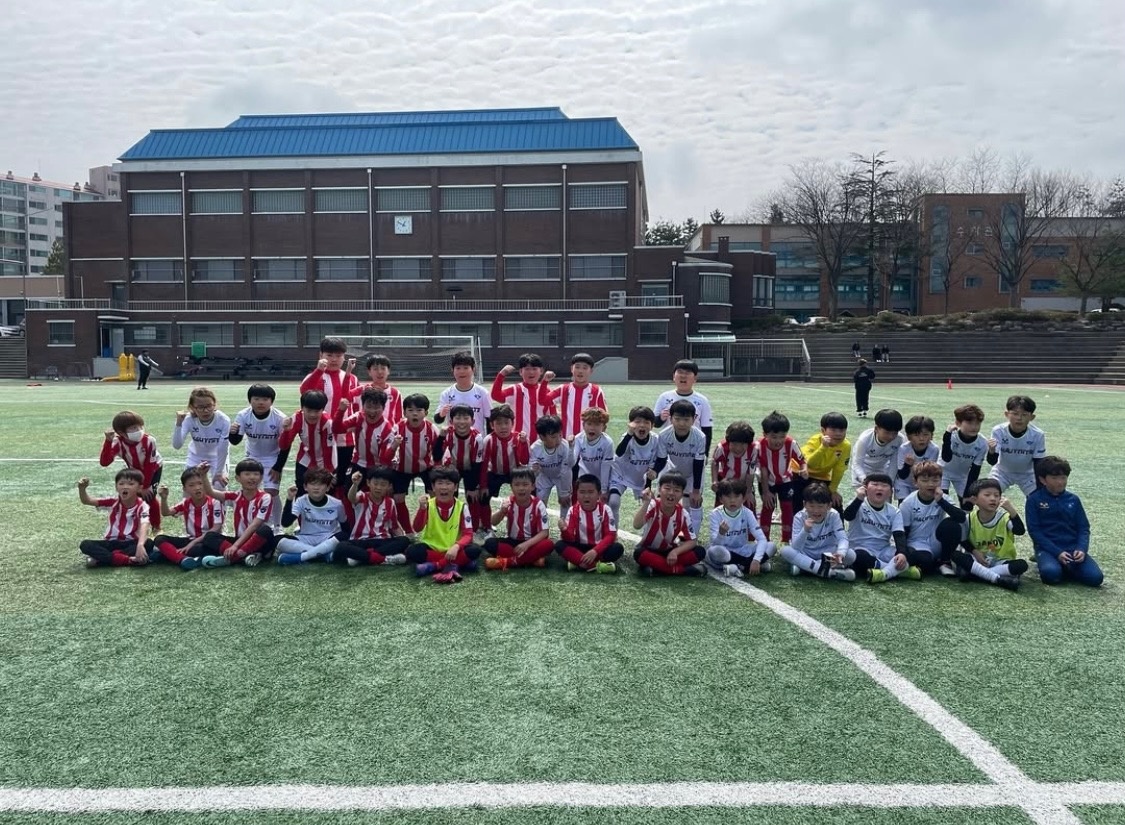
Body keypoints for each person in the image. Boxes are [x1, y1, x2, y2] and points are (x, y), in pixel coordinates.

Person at [1025, 456, 1103, 587]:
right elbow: (1035, 532)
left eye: (1063, 478)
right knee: (1051, 575)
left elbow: (1083, 528)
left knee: (1096, 579)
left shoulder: (1073, 499)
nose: (1060, 482)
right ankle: (1051, 562)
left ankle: (1067, 567)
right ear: (1043, 480)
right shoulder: (1034, 500)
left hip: (1072, 548)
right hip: (1048, 549)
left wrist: (1081, 549)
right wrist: (1057, 552)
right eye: (1054, 478)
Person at [300, 337, 360, 489]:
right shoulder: (315, 376)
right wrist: (319, 370)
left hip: (346, 439)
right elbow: (304, 392)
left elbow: (357, 405)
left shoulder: (352, 378)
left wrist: (356, 425)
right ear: (321, 355)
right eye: (330, 355)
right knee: (320, 483)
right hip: (320, 440)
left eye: (338, 356)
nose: (334, 359)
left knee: (342, 482)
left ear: (344, 357)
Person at [406, 466, 483, 583]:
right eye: (440, 483)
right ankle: (458, 564)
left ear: (456, 487)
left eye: (448, 483)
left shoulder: (462, 507)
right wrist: (422, 509)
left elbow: (468, 535)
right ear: (433, 486)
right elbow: (417, 528)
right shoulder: (428, 505)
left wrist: (456, 547)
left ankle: (435, 566)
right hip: (433, 548)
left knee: (475, 550)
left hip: (455, 549)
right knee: (412, 552)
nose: (444, 487)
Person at [950, 478, 1028, 590]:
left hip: (1000, 561)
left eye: (997, 495)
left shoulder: (1004, 518)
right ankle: (999, 579)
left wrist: (1011, 510)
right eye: (987, 495)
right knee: (955, 555)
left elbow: (1020, 531)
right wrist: (975, 552)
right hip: (978, 560)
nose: (993, 499)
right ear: (974, 499)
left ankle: (978, 575)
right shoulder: (969, 519)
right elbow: (963, 540)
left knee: (1021, 565)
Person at [197, 459, 277, 568]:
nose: (252, 477)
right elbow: (211, 492)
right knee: (209, 536)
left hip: (261, 542)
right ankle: (245, 556)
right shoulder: (235, 496)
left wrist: (234, 546)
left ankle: (234, 557)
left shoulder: (265, 497)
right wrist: (203, 475)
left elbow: (254, 526)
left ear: (261, 478)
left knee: (265, 530)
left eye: (256, 474)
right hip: (240, 541)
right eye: (247, 474)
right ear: (237, 478)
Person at [840, 473, 918, 584]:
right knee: (859, 558)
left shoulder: (894, 511)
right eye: (875, 484)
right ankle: (897, 571)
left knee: (911, 552)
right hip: (860, 548)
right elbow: (847, 516)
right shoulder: (858, 503)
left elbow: (899, 535)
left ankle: (883, 573)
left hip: (883, 550)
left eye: (884, 485)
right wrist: (858, 499)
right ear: (866, 488)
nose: (879, 488)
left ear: (891, 492)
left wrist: (901, 553)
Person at [229, 384, 286, 530]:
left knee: (272, 492)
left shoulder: (280, 418)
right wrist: (232, 432)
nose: (261, 402)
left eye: (265, 399)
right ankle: (256, 524)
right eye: (256, 398)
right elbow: (235, 441)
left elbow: (286, 446)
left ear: (271, 401)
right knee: (251, 492)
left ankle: (277, 526)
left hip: (272, 457)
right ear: (250, 400)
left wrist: (278, 467)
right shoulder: (243, 415)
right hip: (252, 458)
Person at [898, 460, 967, 578]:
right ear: (915, 482)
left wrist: (940, 501)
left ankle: (945, 562)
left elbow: (961, 517)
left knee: (952, 525)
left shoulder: (943, 498)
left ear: (941, 481)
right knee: (925, 561)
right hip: (917, 543)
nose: (930, 484)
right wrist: (903, 552)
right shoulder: (907, 503)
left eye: (935, 480)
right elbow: (904, 532)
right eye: (925, 480)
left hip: (937, 541)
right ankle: (930, 562)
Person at [384, 393, 442, 531]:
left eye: (419, 410)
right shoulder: (397, 429)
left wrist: (438, 474)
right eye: (410, 410)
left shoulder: (432, 429)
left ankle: (432, 526)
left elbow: (438, 455)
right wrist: (394, 446)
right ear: (404, 412)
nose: (414, 414)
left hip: (426, 467)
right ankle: (408, 531)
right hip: (401, 469)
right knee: (398, 498)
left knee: (436, 495)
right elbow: (386, 456)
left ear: (426, 412)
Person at [100, 409, 164, 531]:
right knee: (131, 497)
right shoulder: (117, 443)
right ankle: (132, 526)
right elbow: (105, 462)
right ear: (121, 432)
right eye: (134, 428)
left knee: (149, 496)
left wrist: (145, 487)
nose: (139, 430)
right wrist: (108, 442)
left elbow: (149, 465)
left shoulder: (149, 441)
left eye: (140, 426)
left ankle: (157, 527)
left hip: (154, 469)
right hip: (134, 470)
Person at [334, 467, 410, 567]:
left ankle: (361, 558)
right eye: (375, 483)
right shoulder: (363, 496)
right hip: (360, 540)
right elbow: (351, 498)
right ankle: (384, 559)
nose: (378, 487)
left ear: (389, 486)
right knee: (341, 547)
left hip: (381, 540)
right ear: (368, 483)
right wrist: (355, 484)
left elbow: (394, 527)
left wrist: (403, 540)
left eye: (383, 484)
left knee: (404, 541)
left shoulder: (390, 502)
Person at [632, 472, 705, 576]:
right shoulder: (652, 505)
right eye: (667, 488)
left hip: (669, 552)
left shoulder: (683, 514)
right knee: (639, 553)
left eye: (676, 490)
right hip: (649, 550)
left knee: (700, 551)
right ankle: (684, 571)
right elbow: (636, 525)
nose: (671, 493)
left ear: (681, 494)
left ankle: (656, 570)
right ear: (659, 490)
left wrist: (676, 552)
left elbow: (692, 541)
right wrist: (646, 503)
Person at [153, 467, 226, 570]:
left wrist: (192, 544)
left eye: (200, 483)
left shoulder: (215, 502)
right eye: (191, 485)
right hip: (190, 539)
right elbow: (166, 513)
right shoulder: (186, 503)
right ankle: (183, 559)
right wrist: (164, 498)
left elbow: (216, 528)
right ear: (185, 489)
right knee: (159, 539)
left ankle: (170, 555)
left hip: (207, 541)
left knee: (197, 548)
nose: (197, 487)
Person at [652, 399, 707, 536]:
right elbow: (661, 459)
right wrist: (654, 473)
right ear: (670, 419)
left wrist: (695, 490)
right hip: (672, 471)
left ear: (694, 419)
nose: (682, 423)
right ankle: (663, 533)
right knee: (664, 502)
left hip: (692, 473)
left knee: (693, 502)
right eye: (677, 419)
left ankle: (691, 536)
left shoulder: (700, 437)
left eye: (686, 419)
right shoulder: (664, 435)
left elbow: (698, 463)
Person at [77, 469, 152, 568]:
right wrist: (82, 489)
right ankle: (127, 560)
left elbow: (144, 525)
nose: (125, 486)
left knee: (149, 543)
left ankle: (103, 559)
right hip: (111, 542)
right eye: (121, 483)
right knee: (85, 544)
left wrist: (140, 545)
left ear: (139, 488)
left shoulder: (143, 506)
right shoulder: (112, 502)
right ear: (116, 487)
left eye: (131, 484)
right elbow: (87, 501)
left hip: (130, 542)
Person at [484, 466, 554, 570]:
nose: (521, 488)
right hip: (513, 542)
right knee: (489, 543)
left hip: (531, 543)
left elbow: (544, 533)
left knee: (549, 544)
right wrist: (501, 512)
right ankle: (533, 559)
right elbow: (493, 522)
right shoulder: (508, 501)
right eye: (517, 485)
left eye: (525, 484)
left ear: (533, 486)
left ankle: (506, 561)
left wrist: (526, 545)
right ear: (511, 487)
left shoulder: (539, 504)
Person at [779, 481, 852, 580]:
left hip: (828, 554)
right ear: (804, 504)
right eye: (812, 506)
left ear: (829, 506)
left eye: (820, 506)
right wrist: (805, 530)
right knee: (785, 550)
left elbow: (842, 538)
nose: (816, 510)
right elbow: (796, 547)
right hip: (806, 553)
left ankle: (805, 568)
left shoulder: (834, 515)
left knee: (851, 555)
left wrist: (840, 553)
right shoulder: (799, 517)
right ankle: (829, 572)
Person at [275, 468, 348, 565]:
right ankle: (324, 556)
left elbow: (345, 527)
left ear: (327, 488)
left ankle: (302, 557)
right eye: (313, 484)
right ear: (305, 487)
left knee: (343, 536)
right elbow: (285, 523)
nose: (316, 488)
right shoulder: (301, 501)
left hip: (327, 538)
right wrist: (289, 499)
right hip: (306, 538)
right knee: (277, 540)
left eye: (320, 484)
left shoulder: (337, 504)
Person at [273, 390, 338, 498]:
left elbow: (328, 450)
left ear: (323, 409)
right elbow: (284, 445)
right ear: (302, 408)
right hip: (305, 459)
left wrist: (328, 473)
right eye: (309, 410)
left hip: (326, 462)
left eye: (317, 411)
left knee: (325, 494)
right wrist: (286, 431)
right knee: (302, 493)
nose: (312, 414)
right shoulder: (297, 418)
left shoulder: (327, 423)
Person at [555, 473, 624, 573]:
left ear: (599, 494)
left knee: (617, 548)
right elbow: (569, 538)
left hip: (599, 548)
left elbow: (610, 535)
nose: (586, 496)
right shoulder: (573, 510)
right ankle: (597, 565)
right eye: (582, 492)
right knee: (559, 545)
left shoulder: (605, 509)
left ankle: (578, 562)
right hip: (580, 547)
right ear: (577, 494)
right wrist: (564, 530)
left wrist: (595, 551)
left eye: (591, 492)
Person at [756, 411, 808, 544]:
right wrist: (766, 491)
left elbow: (802, 460)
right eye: (774, 437)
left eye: (782, 436)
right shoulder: (759, 446)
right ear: (765, 434)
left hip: (786, 481)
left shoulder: (791, 443)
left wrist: (804, 469)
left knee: (787, 507)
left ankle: (787, 539)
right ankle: (764, 539)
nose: (778, 440)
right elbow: (762, 470)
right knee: (768, 507)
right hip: (767, 482)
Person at [705, 479, 773, 578]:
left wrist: (757, 559)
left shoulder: (747, 513)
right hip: (726, 551)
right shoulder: (716, 514)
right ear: (720, 499)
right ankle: (747, 566)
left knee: (771, 546)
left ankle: (738, 567)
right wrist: (721, 534)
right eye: (728, 497)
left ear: (743, 498)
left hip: (743, 550)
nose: (732, 500)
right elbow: (716, 544)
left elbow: (761, 538)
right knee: (714, 551)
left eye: (736, 496)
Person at [437, 403, 488, 534]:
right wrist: (441, 437)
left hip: (471, 469)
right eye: (458, 418)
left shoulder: (477, 438)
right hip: (453, 469)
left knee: (473, 497)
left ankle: (474, 530)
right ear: (451, 421)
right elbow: (437, 455)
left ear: (473, 421)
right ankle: (449, 527)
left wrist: (473, 487)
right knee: (449, 496)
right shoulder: (448, 434)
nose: (461, 422)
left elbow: (477, 464)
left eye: (466, 418)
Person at [607, 406, 661, 525]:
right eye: (637, 422)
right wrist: (629, 434)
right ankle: (612, 534)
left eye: (646, 422)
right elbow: (619, 452)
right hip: (620, 475)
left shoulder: (655, 440)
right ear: (630, 424)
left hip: (640, 477)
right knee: (613, 502)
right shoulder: (627, 437)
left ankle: (648, 536)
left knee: (650, 506)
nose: (641, 425)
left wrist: (650, 480)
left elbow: (658, 461)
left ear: (652, 426)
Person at [480, 404, 531, 530]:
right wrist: (483, 486)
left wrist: (523, 444)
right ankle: (486, 525)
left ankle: (526, 522)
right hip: (495, 473)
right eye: (498, 423)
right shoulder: (488, 440)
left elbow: (524, 460)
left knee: (528, 494)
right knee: (483, 497)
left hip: (514, 473)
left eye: (506, 423)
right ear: (492, 425)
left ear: (512, 423)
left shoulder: (518, 438)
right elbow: (484, 464)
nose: (503, 427)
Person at [986, 395, 1047, 497]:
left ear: (1032, 417)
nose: (1019, 418)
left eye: (1024, 414)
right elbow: (992, 462)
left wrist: (1040, 490)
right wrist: (991, 451)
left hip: (1027, 474)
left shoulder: (1038, 434)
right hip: (1002, 472)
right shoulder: (998, 431)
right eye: (1015, 413)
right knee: (988, 494)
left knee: (1038, 498)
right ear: (1006, 414)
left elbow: (1039, 463)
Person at [172, 387, 231, 490]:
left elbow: (223, 448)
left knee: (219, 485)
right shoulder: (188, 419)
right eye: (200, 407)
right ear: (192, 407)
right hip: (196, 457)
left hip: (217, 457)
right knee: (190, 489)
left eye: (209, 406)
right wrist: (178, 424)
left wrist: (218, 473)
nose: (206, 411)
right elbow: (177, 445)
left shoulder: (223, 420)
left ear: (214, 404)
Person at [491, 353, 556, 442]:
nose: (531, 372)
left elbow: (553, 415)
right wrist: (502, 374)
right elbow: (496, 395)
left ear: (541, 371)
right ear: (521, 372)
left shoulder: (547, 391)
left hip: (540, 441)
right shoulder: (515, 390)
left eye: (534, 369)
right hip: (518, 440)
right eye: (527, 369)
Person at [653, 359, 714, 454]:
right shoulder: (664, 397)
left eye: (688, 373)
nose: (683, 376)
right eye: (680, 372)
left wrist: (705, 453)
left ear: (695, 378)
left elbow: (707, 429)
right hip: (669, 446)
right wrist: (661, 418)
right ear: (674, 376)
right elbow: (655, 424)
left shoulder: (702, 400)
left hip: (693, 446)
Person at [547, 352, 607, 441]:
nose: (580, 371)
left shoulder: (597, 391)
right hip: (565, 438)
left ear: (591, 371)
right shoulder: (563, 389)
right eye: (577, 367)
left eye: (585, 368)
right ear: (572, 369)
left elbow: (603, 417)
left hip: (588, 440)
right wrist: (545, 382)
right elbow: (543, 401)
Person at [939, 404, 989, 508]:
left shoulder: (982, 443)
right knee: (941, 503)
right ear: (958, 423)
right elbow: (946, 458)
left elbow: (975, 470)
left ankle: (964, 524)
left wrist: (968, 493)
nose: (974, 427)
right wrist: (947, 435)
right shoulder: (952, 435)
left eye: (977, 423)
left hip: (962, 475)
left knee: (968, 505)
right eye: (970, 423)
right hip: (943, 472)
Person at [800, 412, 850, 509]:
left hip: (821, 477)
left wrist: (832, 491)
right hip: (801, 473)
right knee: (797, 499)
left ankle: (838, 524)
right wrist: (823, 447)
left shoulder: (845, 446)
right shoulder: (815, 441)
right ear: (823, 430)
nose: (838, 434)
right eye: (833, 430)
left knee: (835, 502)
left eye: (842, 430)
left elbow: (839, 470)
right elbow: (810, 464)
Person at [848, 408, 903, 492]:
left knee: (884, 498)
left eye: (894, 433)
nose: (891, 437)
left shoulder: (899, 439)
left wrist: (889, 482)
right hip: (864, 468)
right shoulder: (864, 439)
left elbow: (894, 464)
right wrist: (864, 480)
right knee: (863, 498)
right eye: (887, 433)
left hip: (882, 469)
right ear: (876, 429)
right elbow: (857, 464)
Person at [434, 350, 490, 433]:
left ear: (473, 369)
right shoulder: (446, 394)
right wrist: (442, 414)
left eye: (466, 368)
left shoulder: (482, 392)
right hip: (453, 441)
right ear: (452, 370)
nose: (462, 371)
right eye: (458, 368)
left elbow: (489, 419)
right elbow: (438, 420)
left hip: (477, 442)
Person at [529, 414, 571, 521]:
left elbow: (566, 470)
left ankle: (565, 529)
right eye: (553, 437)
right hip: (544, 476)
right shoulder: (535, 448)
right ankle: (541, 527)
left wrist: (564, 493)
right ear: (542, 437)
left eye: (560, 435)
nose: (558, 440)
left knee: (565, 501)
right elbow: (531, 469)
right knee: (540, 502)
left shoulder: (565, 446)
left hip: (561, 477)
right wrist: (534, 470)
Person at [710, 421, 758, 512]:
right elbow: (715, 462)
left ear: (748, 443)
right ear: (728, 442)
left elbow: (750, 473)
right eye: (735, 444)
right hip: (726, 484)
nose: (738, 448)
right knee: (721, 512)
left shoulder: (754, 450)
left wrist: (748, 492)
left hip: (744, 484)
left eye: (743, 444)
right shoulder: (722, 448)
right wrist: (715, 480)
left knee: (749, 510)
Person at [347, 353, 402, 424]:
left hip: (388, 434)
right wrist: (348, 372)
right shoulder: (362, 390)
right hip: (364, 433)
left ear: (388, 371)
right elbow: (345, 397)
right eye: (375, 369)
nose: (379, 372)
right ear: (369, 372)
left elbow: (398, 418)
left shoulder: (395, 393)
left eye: (383, 368)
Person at [570, 407, 614, 496]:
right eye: (589, 424)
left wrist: (604, 490)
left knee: (607, 503)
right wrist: (570, 448)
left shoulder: (608, 442)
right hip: (584, 475)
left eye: (597, 425)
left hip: (602, 477)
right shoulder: (578, 439)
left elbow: (606, 467)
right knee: (585, 501)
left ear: (604, 427)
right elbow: (572, 462)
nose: (592, 428)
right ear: (583, 425)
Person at [894, 415, 938, 503]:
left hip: (922, 483)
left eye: (925, 435)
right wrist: (907, 465)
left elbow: (929, 472)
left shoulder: (934, 449)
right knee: (904, 506)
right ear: (909, 437)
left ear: (932, 435)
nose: (921, 439)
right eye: (916, 435)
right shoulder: (904, 448)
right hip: (904, 484)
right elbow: (902, 475)